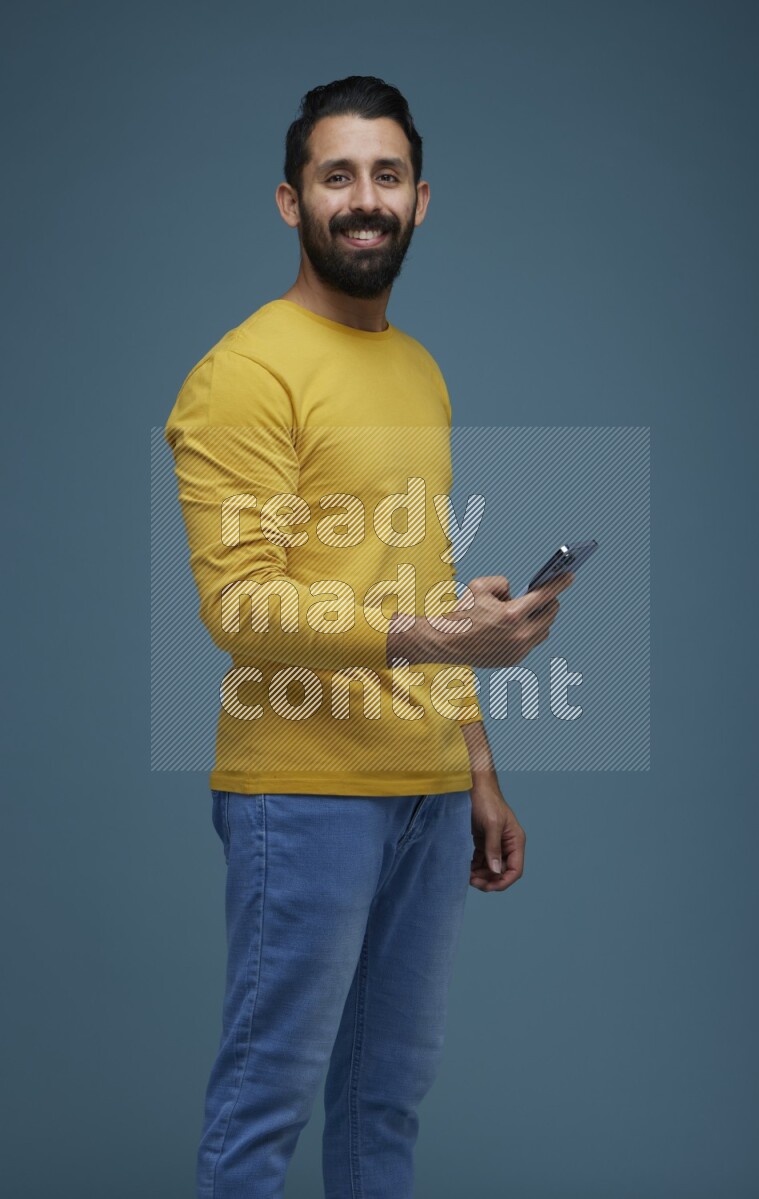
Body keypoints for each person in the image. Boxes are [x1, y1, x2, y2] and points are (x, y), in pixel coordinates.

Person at [164, 74, 574, 1199]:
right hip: (299, 792)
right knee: (266, 1100)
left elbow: (417, 576)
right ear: (290, 201)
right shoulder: (243, 371)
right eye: (334, 174)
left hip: (428, 799)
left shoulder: (417, 369)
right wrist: (429, 636)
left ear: (420, 200)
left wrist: (477, 768)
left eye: (384, 175)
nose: (362, 197)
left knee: (384, 1102)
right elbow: (239, 605)